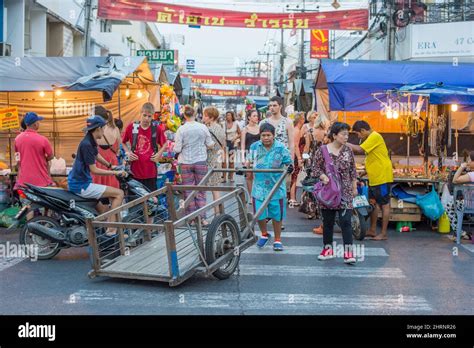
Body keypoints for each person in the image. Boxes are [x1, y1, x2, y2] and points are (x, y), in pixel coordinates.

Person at [67, 116, 126, 235]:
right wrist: (115, 172)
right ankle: (111, 230)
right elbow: (94, 169)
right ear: (98, 129)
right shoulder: (87, 144)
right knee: (119, 193)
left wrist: (110, 165)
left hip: (80, 183)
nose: (104, 131)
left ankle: (103, 232)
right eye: (103, 128)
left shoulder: (90, 140)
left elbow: (97, 155)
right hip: (82, 185)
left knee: (102, 209)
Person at [312, 122, 357, 264]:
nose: (346, 136)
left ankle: (348, 253)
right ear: (334, 135)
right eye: (343, 134)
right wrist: (323, 177)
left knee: (346, 222)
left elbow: (352, 171)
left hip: (345, 191)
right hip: (329, 192)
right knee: (328, 222)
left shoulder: (348, 151)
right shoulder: (322, 150)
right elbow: (315, 168)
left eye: (347, 134)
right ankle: (327, 249)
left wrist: (354, 187)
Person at [249, 123, 292, 252]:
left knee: (277, 215)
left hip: (276, 187)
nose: (266, 138)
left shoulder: (281, 148)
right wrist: (245, 166)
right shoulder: (254, 147)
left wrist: (290, 167)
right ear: (260, 135)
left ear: (273, 135)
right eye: (263, 135)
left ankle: (278, 239)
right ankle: (264, 234)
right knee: (259, 214)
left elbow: (288, 162)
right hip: (259, 187)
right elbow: (248, 160)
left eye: (268, 135)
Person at [349, 120, 393, 241]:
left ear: (363, 131)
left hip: (382, 177)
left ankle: (383, 233)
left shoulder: (375, 136)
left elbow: (359, 149)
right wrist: (366, 171)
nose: (358, 137)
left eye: (358, 134)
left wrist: (343, 142)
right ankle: (372, 230)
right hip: (374, 176)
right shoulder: (372, 138)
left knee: (384, 204)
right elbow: (375, 157)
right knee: (373, 203)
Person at [174, 105, 215, 223]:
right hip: (201, 161)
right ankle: (202, 218)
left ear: (184, 115)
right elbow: (210, 144)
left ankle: (191, 218)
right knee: (201, 190)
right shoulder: (202, 127)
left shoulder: (181, 129)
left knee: (188, 191)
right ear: (195, 114)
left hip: (185, 163)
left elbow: (177, 149)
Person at [122, 102, 167, 192]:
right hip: (135, 172)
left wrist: (159, 154)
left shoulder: (156, 128)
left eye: (149, 116)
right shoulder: (132, 127)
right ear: (140, 113)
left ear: (153, 116)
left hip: (151, 171)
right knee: (136, 200)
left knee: (151, 200)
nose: (146, 118)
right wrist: (128, 153)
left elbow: (165, 143)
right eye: (145, 115)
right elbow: (123, 142)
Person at [302, 113, 330, 233]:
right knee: (325, 189)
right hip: (325, 163)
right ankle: (322, 215)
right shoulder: (327, 134)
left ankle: (312, 211)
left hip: (313, 163)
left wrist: (304, 160)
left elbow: (306, 149)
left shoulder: (310, 132)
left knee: (312, 188)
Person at [14, 112, 54, 191]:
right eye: (38, 122)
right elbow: (51, 156)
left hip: (23, 182)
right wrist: (43, 158)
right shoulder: (43, 139)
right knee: (41, 203)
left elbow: (17, 158)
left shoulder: (17, 139)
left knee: (25, 203)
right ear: (35, 124)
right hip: (41, 182)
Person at [202, 106, 226, 214]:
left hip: (210, 159)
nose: (204, 117)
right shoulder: (220, 128)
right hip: (217, 159)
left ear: (211, 117)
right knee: (215, 189)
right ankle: (218, 212)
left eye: (205, 115)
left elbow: (209, 145)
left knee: (213, 189)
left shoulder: (209, 129)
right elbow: (223, 145)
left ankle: (217, 213)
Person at [91, 106, 121, 189]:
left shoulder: (93, 131)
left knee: (97, 193)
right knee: (113, 192)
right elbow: (118, 148)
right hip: (112, 164)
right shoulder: (116, 129)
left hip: (97, 164)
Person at [260, 96, 295, 160]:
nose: (272, 108)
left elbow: (291, 143)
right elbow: (259, 142)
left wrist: (291, 161)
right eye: (270, 106)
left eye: (274, 105)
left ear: (280, 106)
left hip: (283, 158)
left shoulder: (288, 122)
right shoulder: (263, 122)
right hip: (266, 158)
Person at [240, 109, 260, 195]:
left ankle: (257, 194)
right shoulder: (245, 129)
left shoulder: (260, 128)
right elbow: (242, 145)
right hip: (248, 154)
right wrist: (242, 158)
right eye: (254, 116)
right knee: (249, 176)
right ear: (249, 117)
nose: (256, 117)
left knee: (258, 175)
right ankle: (251, 196)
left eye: (257, 116)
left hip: (259, 155)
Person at [289, 112, 306, 208]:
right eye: (303, 118)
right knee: (294, 176)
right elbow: (295, 145)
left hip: (296, 155)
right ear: (300, 119)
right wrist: (299, 158)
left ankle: (292, 197)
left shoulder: (298, 130)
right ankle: (292, 198)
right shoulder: (296, 130)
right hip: (296, 156)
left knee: (294, 176)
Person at [223, 110, 241, 183]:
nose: (228, 116)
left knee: (231, 161)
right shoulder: (223, 124)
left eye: (229, 115)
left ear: (232, 116)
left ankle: (231, 177)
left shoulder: (236, 124)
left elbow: (240, 133)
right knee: (223, 161)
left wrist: (235, 138)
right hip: (225, 143)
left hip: (232, 143)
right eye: (227, 115)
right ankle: (224, 177)